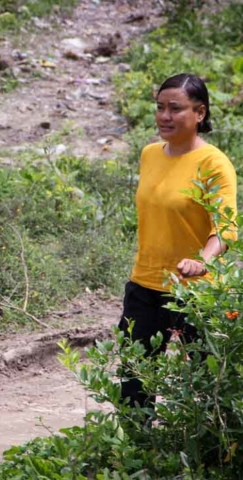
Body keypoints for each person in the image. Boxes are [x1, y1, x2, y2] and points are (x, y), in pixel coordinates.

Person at [119, 73, 237, 409]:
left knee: (205, 381)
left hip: (195, 292)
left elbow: (225, 228)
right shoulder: (150, 154)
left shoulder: (213, 163)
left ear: (199, 113)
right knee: (134, 381)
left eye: (175, 108)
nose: (164, 116)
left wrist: (203, 262)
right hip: (144, 285)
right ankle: (137, 454)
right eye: (159, 108)